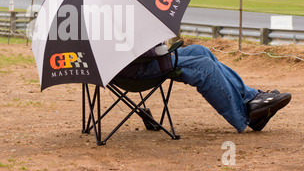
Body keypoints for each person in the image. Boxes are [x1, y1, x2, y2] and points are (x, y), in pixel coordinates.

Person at [118, 43, 292, 132]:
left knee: (200, 51)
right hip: (138, 68)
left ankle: (251, 100)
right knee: (203, 66)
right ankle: (247, 116)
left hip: (146, 60)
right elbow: (126, 49)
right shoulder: (111, 15)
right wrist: (158, 48)